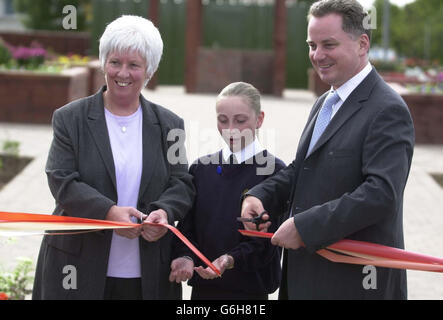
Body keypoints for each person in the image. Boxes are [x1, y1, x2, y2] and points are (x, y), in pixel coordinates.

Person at [240, 0, 414, 300]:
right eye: (312, 45)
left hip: (355, 284)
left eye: (328, 45)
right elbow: (303, 168)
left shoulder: (387, 109)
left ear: (362, 44)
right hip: (305, 277)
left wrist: (305, 228)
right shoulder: (324, 103)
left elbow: (381, 194)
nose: (317, 56)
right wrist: (260, 195)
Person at [32, 15, 195, 300]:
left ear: (149, 71)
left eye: (134, 65)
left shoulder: (172, 125)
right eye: (115, 62)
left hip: (148, 272)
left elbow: (182, 182)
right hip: (77, 266)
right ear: (103, 62)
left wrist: (164, 212)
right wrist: (109, 213)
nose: (122, 73)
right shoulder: (69, 118)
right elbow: (61, 179)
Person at [169, 82, 285, 299]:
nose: (231, 128)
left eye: (240, 121)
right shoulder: (201, 169)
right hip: (202, 292)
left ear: (259, 119)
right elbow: (188, 228)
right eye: (222, 120)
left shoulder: (275, 173)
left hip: (249, 293)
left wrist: (229, 260)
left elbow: (268, 241)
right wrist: (185, 256)